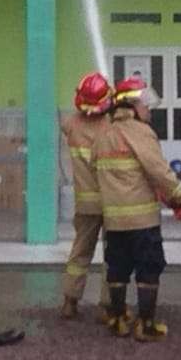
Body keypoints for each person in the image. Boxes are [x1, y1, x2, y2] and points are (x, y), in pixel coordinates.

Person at [93, 75, 181, 342]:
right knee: (148, 269)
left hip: (114, 221)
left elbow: (94, 167)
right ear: (132, 106)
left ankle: (118, 319)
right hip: (142, 220)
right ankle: (146, 325)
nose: (149, 110)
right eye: (145, 104)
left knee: (117, 269)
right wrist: (178, 197)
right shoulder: (141, 132)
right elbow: (159, 171)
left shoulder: (104, 134)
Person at [58, 72, 113, 319]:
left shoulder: (71, 124)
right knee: (113, 255)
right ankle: (107, 306)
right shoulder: (112, 127)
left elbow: (66, 123)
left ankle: (70, 302)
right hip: (113, 202)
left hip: (85, 203)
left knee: (80, 252)